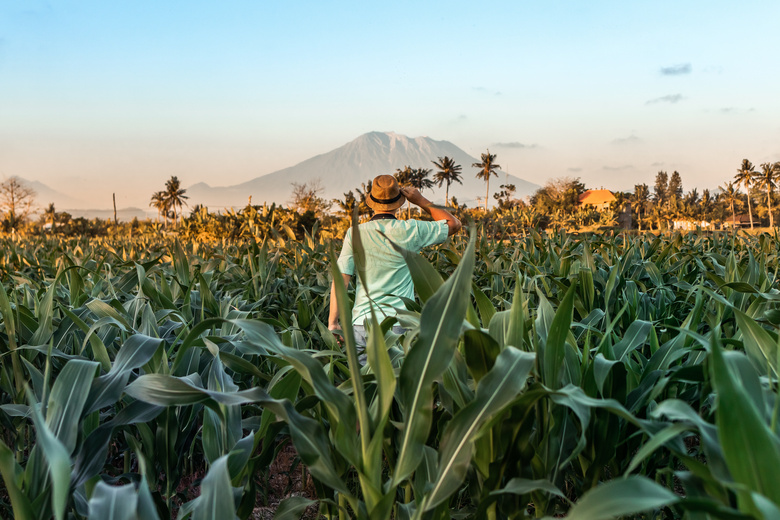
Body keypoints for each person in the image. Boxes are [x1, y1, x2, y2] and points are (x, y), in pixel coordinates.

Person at [328, 174, 461, 348]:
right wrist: (420, 200)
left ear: (371, 202)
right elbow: (454, 224)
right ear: (399, 203)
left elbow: (341, 280)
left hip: (363, 325)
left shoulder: (355, 233)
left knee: (366, 375)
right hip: (399, 325)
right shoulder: (411, 230)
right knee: (398, 375)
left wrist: (333, 322)